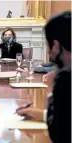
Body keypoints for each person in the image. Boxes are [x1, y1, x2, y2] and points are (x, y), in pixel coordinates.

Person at [17, 11, 71, 143]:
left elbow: (60, 134)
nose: (48, 52)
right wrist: (41, 114)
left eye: (48, 46)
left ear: (56, 46)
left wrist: (51, 93)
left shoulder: (66, 78)